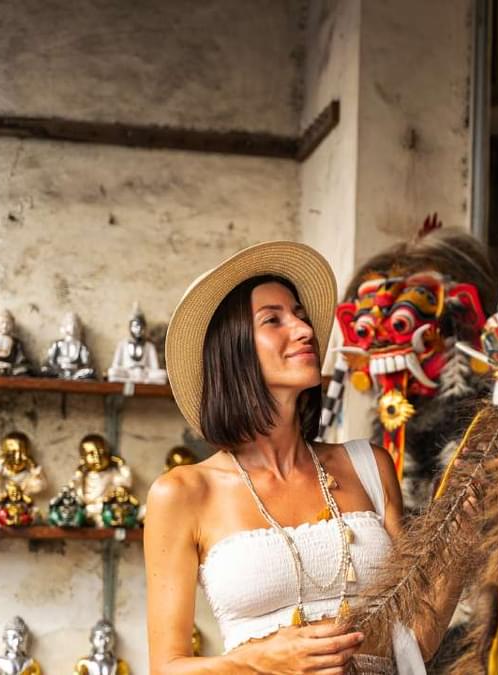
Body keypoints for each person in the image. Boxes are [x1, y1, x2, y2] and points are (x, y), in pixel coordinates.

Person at [146, 241, 468, 674]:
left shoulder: (368, 466)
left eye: (300, 315)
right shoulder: (183, 493)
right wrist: (258, 660)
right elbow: (166, 667)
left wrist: (467, 519)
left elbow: (417, 638)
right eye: (274, 320)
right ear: (232, 351)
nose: (303, 329)